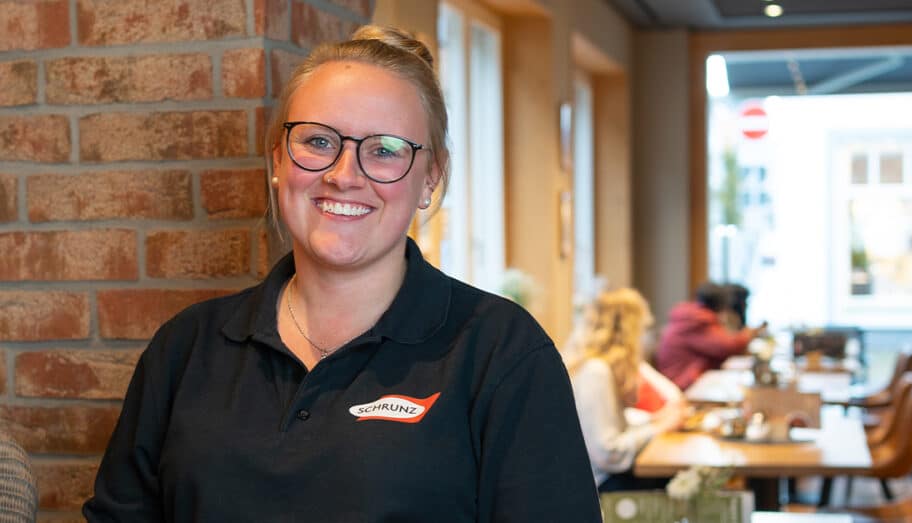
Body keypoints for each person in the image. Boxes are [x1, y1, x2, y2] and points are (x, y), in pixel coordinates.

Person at [83, 26, 601, 522]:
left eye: (384, 151)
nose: (343, 175)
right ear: (277, 162)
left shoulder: (500, 353)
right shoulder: (186, 349)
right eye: (317, 142)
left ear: (430, 179)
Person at [568, 288, 687, 492]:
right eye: (643, 329)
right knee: (683, 484)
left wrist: (654, 420)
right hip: (598, 487)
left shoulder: (600, 368)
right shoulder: (596, 372)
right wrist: (658, 427)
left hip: (601, 477)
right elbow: (608, 453)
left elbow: (609, 428)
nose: (646, 339)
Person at [656, 282, 766, 390]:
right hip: (682, 383)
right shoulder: (698, 320)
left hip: (681, 380)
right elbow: (726, 346)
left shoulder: (694, 316)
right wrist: (748, 333)